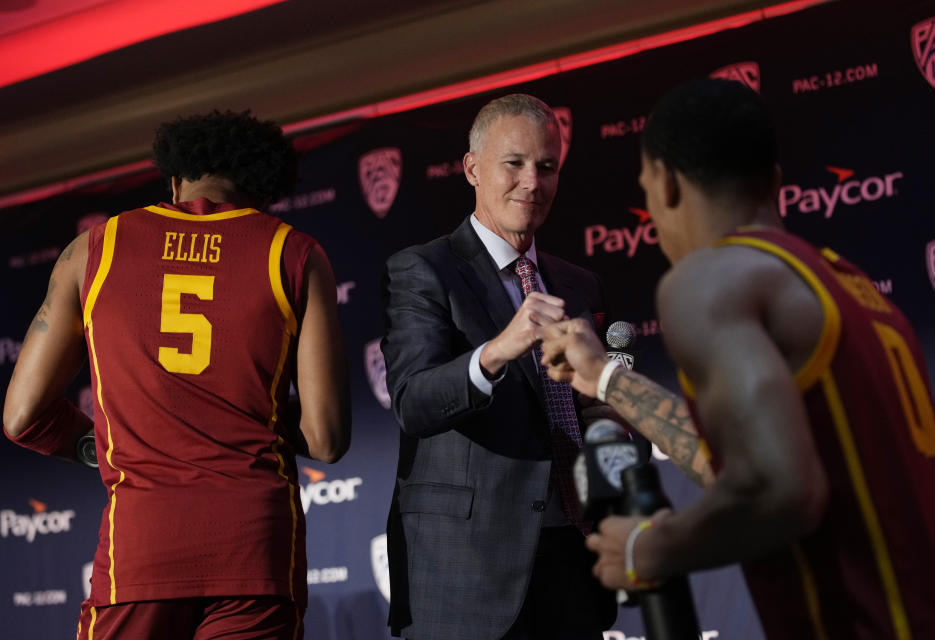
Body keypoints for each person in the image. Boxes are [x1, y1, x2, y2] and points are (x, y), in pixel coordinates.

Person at [540, 78, 935, 639]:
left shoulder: (708, 277)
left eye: (645, 191)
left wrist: (648, 547)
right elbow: (745, 460)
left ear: (665, 185)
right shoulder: (849, 287)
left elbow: (780, 491)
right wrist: (606, 378)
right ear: (775, 183)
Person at [3, 110, 351, 639]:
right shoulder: (292, 251)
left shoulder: (95, 249)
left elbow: (22, 417)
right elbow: (326, 439)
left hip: (140, 552)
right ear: (261, 190)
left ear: (174, 179)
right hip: (254, 550)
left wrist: (100, 443)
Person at [380, 94, 616, 640]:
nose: (532, 182)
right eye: (514, 163)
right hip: (468, 572)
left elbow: (592, 412)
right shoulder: (422, 269)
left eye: (547, 167)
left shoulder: (581, 284)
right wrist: (497, 351)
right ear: (472, 168)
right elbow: (413, 402)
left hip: (575, 565)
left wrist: (608, 415)